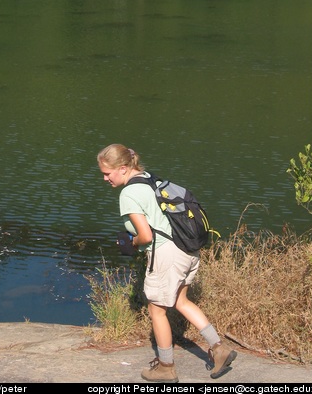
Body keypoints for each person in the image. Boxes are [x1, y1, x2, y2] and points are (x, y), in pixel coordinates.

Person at [97, 143, 237, 383]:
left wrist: (133, 244)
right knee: (181, 301)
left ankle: (165, 367)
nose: (105, 179)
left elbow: (146, 236)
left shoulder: (129, 193)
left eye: (107, 173)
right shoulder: (149, 179)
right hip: (187, 250)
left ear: (122, 168)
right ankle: (219, 349)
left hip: (166, 254)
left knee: (156, 310)